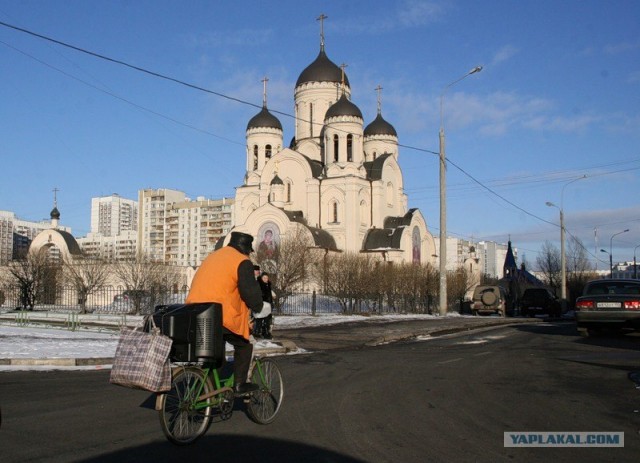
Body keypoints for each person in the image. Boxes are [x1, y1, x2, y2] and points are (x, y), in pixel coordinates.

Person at [186, 231, 263, 395]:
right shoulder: (242, 261)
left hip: (195, 311)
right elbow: (250, 292)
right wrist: (258, 306)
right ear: (244, 248)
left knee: (215, 352)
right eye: (249, 250)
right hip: (219, 314)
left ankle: (210, 391)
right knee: (244, 344)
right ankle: (239, 385)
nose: (249, 254)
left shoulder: (214, 256)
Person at [255, 272, 274, 339]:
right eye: (264, 278)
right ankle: (258, 332)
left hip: (267, 305)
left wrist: (271, 303)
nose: (266, 279)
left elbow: (269, 295)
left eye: (267, 278)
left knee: (267, 319)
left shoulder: (268, 284)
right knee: (259, 319)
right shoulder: (259, 284)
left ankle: (266, 332)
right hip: (261, 304)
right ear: (261, 278)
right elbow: (258, 294)